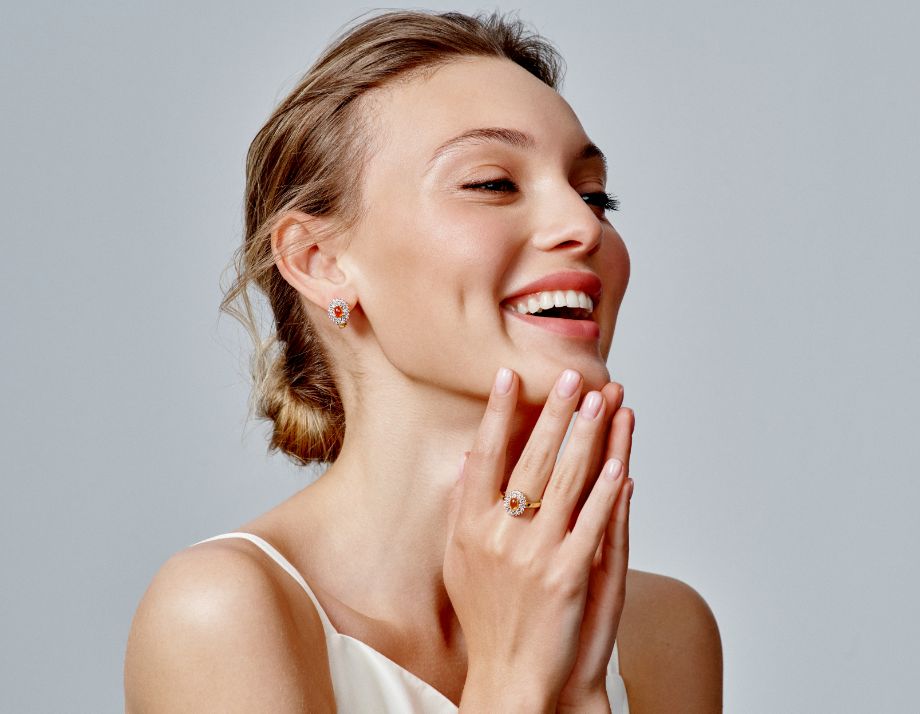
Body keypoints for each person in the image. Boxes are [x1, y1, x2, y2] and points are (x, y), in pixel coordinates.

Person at [124, 9, 722, 712]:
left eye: (595, 195)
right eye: (493, 183)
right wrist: (516, 680)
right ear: (320, 262)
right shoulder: (223, 614)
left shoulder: (660, 631)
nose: (583, 226)